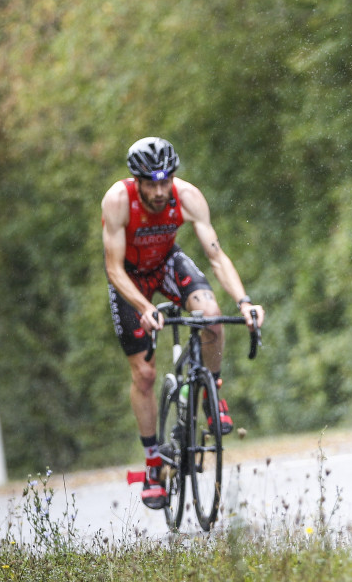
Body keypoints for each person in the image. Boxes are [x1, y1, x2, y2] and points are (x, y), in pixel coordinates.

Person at [101, 136, 264, 510]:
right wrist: (144, 307)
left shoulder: (188, 196)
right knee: (144, 374)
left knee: (211, 317)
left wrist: (244, 302)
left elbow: (216, 256)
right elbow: (113, 268)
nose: (160, 192)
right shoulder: (118, 200)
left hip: (165, 264)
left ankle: (210, 393)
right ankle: (153, 463)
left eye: (166, 182)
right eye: (151, 184)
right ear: (137, 181)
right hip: (129, 278)